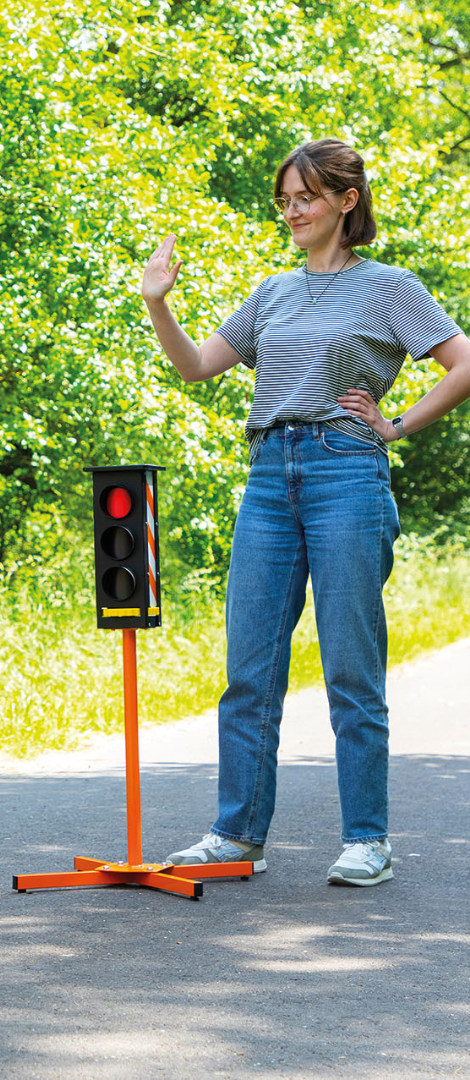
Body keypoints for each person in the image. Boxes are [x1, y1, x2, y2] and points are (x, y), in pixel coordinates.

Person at [141, 138, 470, 886]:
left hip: (346, 474)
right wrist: (158, 303)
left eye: (307, 198)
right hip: (268, 479)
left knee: (351, 667)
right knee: (249, 668)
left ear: (346, 202)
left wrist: (398, 423)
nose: (292, 211)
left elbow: (464, 362)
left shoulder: (388, 287)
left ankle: (367, 839)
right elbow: (196, 366)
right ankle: (236, 834)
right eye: (285, 200)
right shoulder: (274, 291)